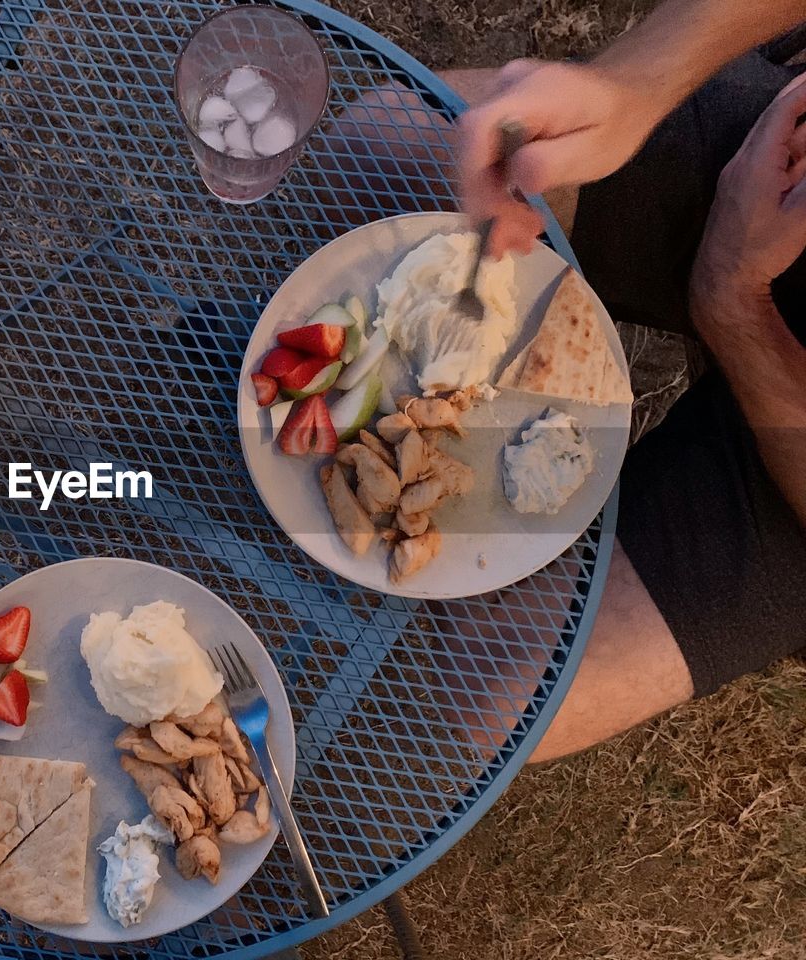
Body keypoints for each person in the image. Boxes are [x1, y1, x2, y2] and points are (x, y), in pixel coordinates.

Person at [321, 0, 806, 763]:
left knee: (495, 696)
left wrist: (732, 298)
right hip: (780, 162)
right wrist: (633, 85)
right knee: (384, 146)